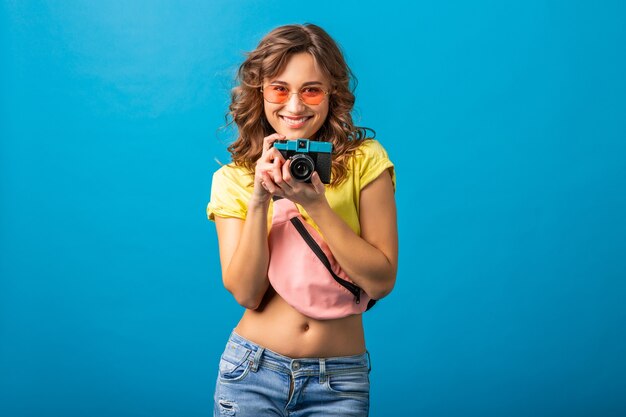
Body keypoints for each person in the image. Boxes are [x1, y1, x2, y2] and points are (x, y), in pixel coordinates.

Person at [206, 23, 398, 417]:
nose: (294, 107)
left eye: (311, 90)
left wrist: (318, 206)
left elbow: (381, 280)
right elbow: (246, 293)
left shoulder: (365, 160)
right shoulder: (233, 179)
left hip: (339, 381)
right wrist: (261, 198)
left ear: (332, 94)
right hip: (252, 372)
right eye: (279, 88)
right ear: (260, 93)